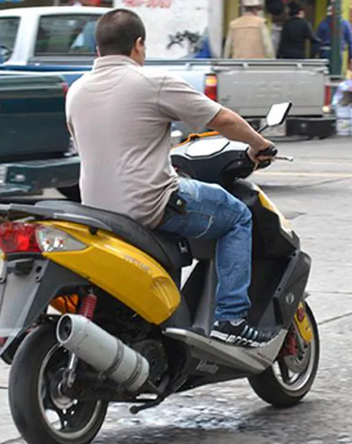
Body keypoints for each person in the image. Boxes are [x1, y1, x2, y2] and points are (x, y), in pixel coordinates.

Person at [66, 9, 278, 347]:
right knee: (238, 215)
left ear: (98, 49)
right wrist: (259, 144)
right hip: (149, 205)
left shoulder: (76, 91)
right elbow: (221, 119)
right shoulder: (153, 82)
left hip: (96, 212)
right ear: (138, 45)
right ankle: (231, 319)